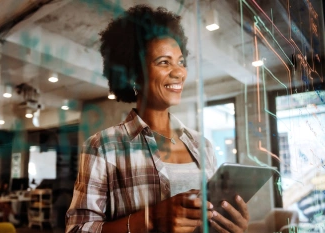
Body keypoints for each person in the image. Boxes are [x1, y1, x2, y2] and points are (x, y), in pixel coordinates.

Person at [66, 5, 249, 233]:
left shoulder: (203, 146)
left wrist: (232, 226)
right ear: (134, 74)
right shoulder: (103, 147)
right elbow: (77, 230)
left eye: (181, 62)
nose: (179, 72)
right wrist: (151, 218)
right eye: (164, 62)